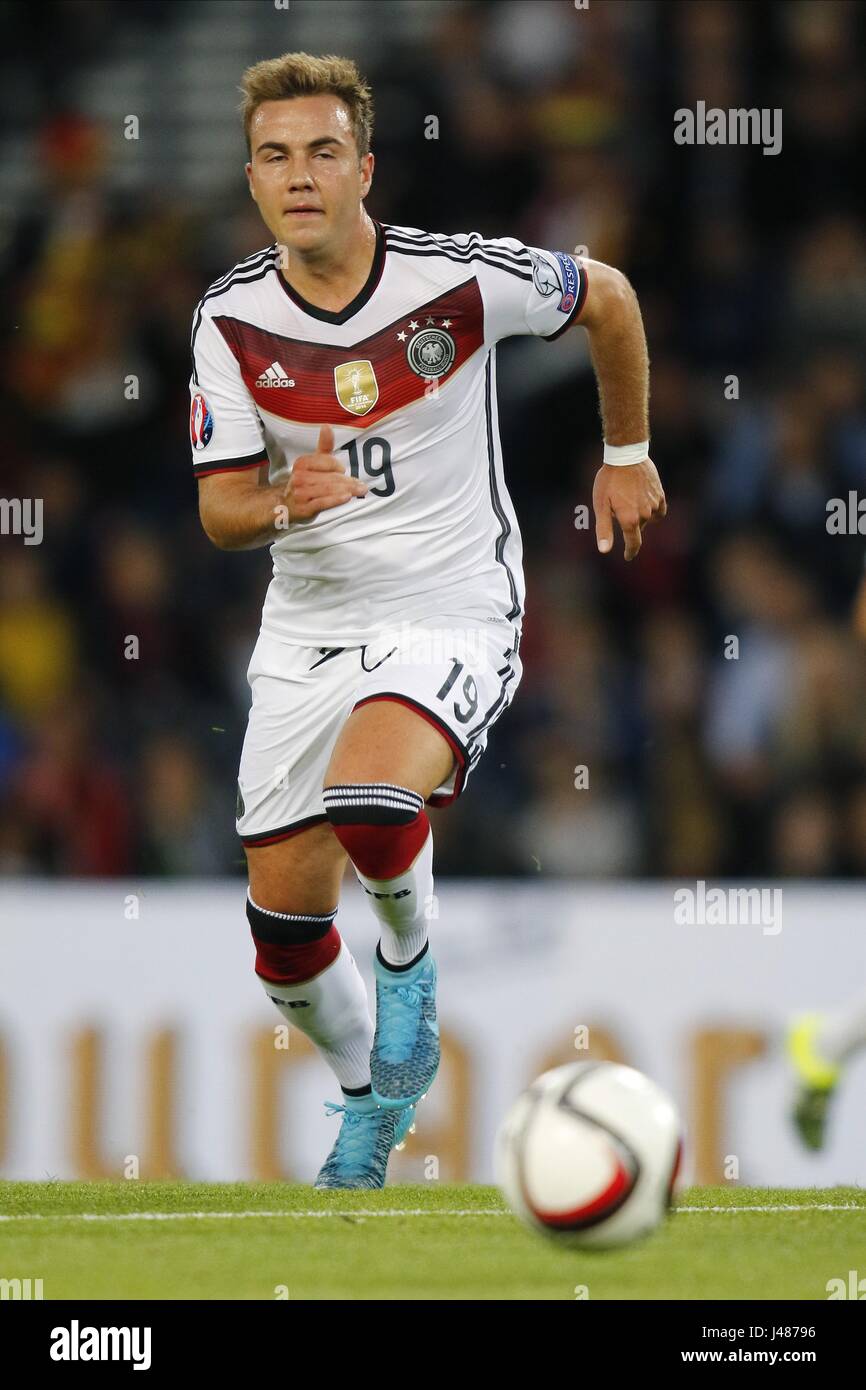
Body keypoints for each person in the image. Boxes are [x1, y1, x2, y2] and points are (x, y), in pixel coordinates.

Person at [190, 52, 666, 1188]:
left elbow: (607, 297)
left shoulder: (454, 281)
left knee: (370, 793)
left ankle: (410, 964)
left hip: (450, 605)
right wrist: (274, 501)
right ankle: (369, 1102)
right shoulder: (228, 318)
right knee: (286, 945)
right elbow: (218, 511)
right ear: (251, 180)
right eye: (273, 156)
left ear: (364, 167)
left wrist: (627, 453)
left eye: (319, 152)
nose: (297, 176)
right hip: (307, 629)